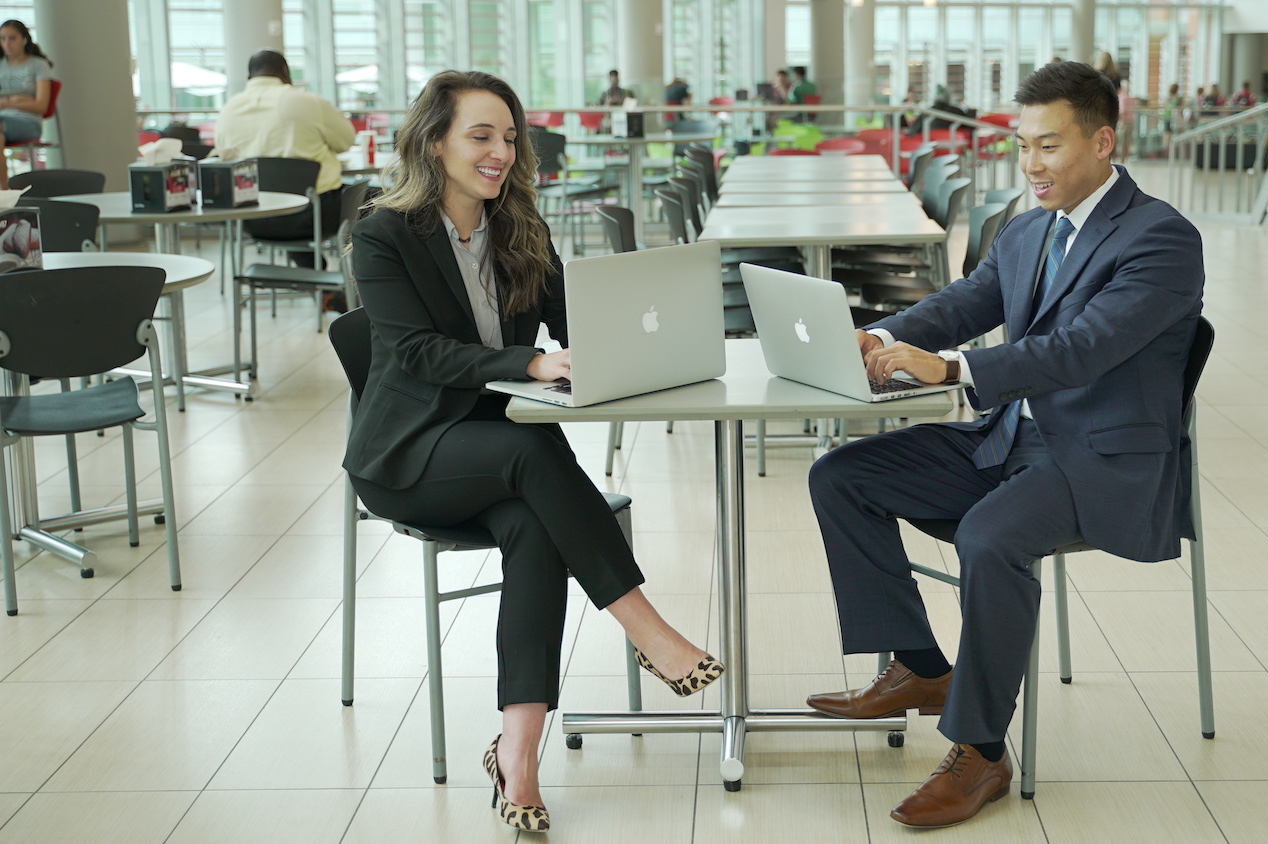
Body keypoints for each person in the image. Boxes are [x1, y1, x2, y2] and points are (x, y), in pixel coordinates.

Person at [803, 60, 1204, 830]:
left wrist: (952, 368)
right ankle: (923, 670)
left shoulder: (1161, 239)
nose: (1030, 164)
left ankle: (982, 752)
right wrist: (879, 335)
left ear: (1103, 140)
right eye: (1023, 146)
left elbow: (1083, 349)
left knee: (991, 538)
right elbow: (963, 303)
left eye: (1048, 147)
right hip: (1014, 438)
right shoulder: (1029, 228)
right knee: (843, 475)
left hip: (1101, 461)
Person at [347, 70, 723, 833]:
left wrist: (635, 341)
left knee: (534, 527)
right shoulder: (383, 231)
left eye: (509, 138)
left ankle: (517, 755)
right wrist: (529, 364)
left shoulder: (520, 227)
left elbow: (574, 316)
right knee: (531, 459)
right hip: (410, 455)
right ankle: (649, 630)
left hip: (500, 447)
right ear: (434, 141)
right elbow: (418, 352)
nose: (500, 153)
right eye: (481, 136)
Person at [216, 50, 355, 267]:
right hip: (312, 216)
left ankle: (314, 276)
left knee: (284, 198)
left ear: (248, 78)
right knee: (375, 197)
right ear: (285, 73)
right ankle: (358, 282)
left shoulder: (228, 109)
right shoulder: (307, 101)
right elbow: (345, 141)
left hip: (252, 218)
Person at [0, 20, 55, 190]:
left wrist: (8, 102)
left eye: (12, 38)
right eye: (2, 39)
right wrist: (22, 99)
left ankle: (4, 191)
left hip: (28, 123)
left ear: (24, 39)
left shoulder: (38, 65)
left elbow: (40, 106)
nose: (7, 44)